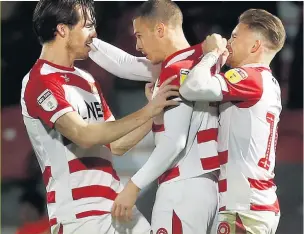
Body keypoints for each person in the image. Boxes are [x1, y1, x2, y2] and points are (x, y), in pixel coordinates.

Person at [21, 0, 179, 233]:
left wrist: (155, 110)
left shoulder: (87, 79)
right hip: (79, 214)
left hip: (116, 206)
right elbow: (82, 135)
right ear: (63, 29)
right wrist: (149, 110)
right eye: (87, 25)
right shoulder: (40, 80)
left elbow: (116, 144)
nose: (94, 34)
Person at [89, 0, 221, 233]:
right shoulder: (198, 59)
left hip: (182, 189)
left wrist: (133, 186)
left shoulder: (176, 69)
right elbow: (125, 64)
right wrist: (87, 39)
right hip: (208, 189)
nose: (137, 45)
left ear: (160, 30)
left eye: (140, 35)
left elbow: (174, 142)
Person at [179, 9, 285, 234]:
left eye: (235, 36)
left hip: (244, 207)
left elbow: (192, 87)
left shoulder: (249, 77)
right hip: (253, 204)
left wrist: (210, 54)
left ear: (255, 47)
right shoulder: (266, 81)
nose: (228, 41)